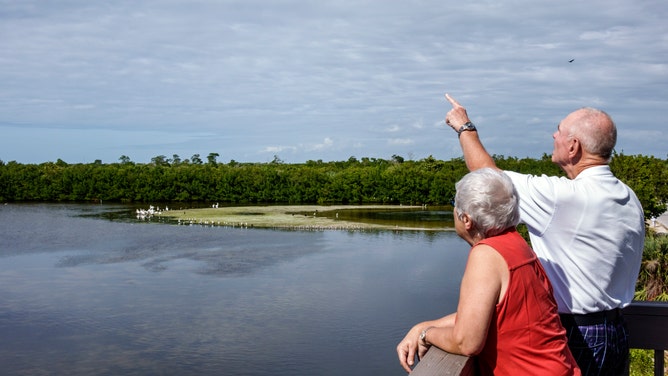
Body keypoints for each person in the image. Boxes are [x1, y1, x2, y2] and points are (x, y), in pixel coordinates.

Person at [443, 94, 645, 375]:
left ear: (573, 146)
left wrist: (464, 126)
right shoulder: (628, 196)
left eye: (559, 130)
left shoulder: (565, 198)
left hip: (579, 335)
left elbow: (489, 179)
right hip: (616, 332)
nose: (554, 134)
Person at [396, 168, 581, 375]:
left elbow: (467, 342)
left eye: (453, 206)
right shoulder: (517, 245)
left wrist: (426, 335)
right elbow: (481, 314)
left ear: (466, 219)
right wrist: (423, 326)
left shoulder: (486, 255)